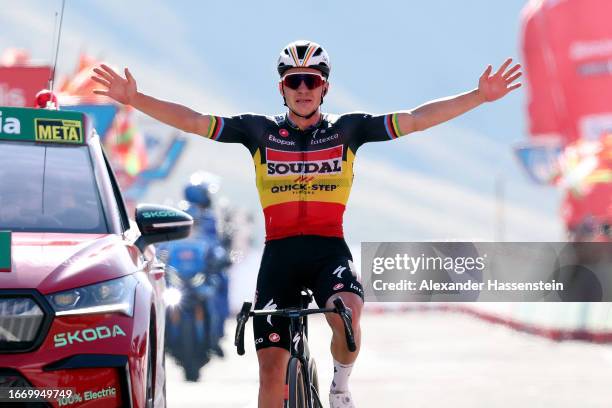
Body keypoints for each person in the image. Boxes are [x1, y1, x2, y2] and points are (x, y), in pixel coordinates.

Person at [91, 40, 521, 408]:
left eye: (311, 80)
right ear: (282, 88)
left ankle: (340, 385)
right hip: (279, 257)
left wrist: (477, 96)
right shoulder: (257, 132)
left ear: (324, 87)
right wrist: (136, 99)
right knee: (270, 374)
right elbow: (193, 120)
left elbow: (415, 119)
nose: (302, 89)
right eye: (293, 81)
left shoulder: (349, 130)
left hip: (327, 250)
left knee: (347, 314)